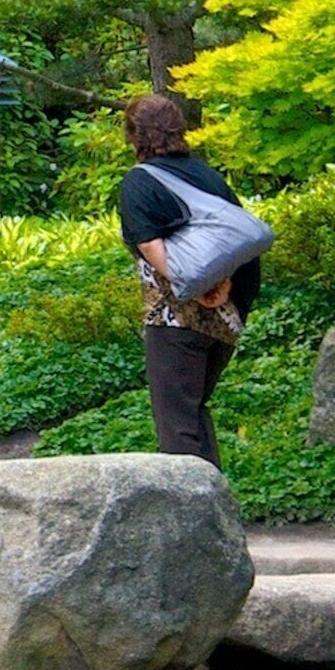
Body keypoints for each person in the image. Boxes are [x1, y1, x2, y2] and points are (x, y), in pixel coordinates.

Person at [113, 91, 259, 464]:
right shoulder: (207, 176)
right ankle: (215, 511)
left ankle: (191, 518)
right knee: (193, 413)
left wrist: (198, 289)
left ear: (134, 135)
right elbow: (235, 240)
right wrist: (221, 286)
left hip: (175, 317)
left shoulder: (139, 183)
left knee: (176, 425)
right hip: (227, 314)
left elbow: (151, 247)